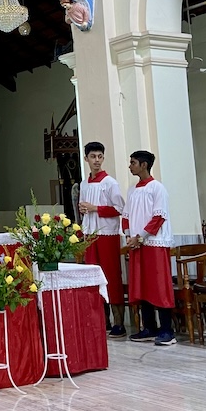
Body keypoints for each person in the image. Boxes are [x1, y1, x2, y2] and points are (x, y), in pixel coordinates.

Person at [122, 150, 176, 346]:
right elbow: (126, 216)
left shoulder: (157, 188)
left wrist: (141, 237)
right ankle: (149, 328)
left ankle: (167, 330)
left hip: (154, 244)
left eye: (133, 163)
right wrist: (128, 235)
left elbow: (159, 217)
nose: (130, 166)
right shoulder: (132, 190)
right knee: (142, 286)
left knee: (158, 286)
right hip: (137, 245)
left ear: (144, 165)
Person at [77, 141, 127, 338]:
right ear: (86, 159)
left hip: (107, 235)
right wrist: (84, 210)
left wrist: (95, 208)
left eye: (100, 157)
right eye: (93, 157)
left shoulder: (110, 183)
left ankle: (119, 322)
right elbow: (84, 207)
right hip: (90, 234)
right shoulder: (84, 183)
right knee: (93, 278)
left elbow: (120, 209)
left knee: (110, 276)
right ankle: (101, 319)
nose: (96, 161)